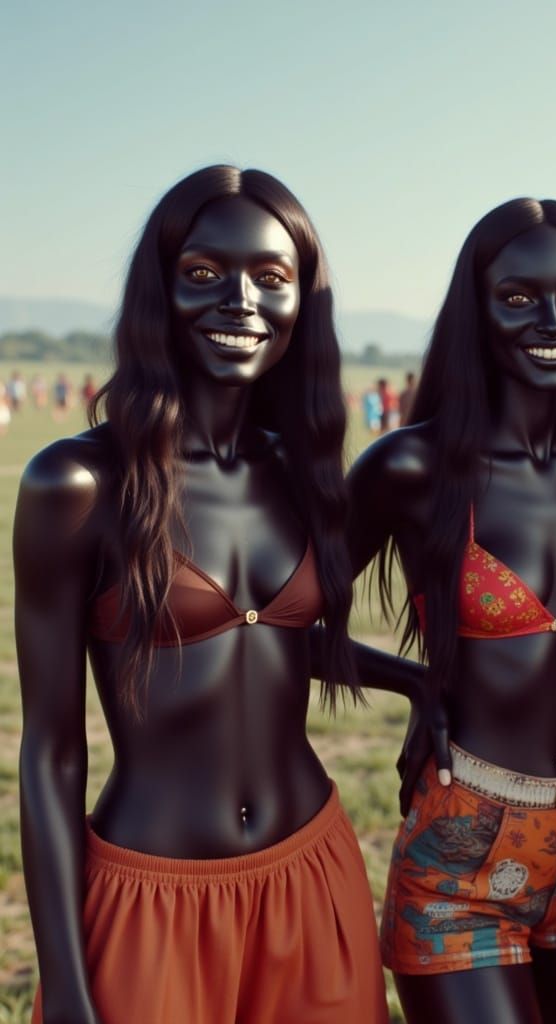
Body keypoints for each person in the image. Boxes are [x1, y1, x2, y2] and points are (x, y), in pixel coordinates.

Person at [16, 166, 388, 1024]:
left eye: (271, 277)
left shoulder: (302, 472)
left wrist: (419, 683)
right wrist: (66, 985)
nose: (241, 300)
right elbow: (50, 753)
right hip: (151, 897)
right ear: (161, 290)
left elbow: (271, 640)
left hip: (312, 875)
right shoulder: (76, 486)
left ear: (302, 301)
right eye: (205, 272)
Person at [345, 198, 556, 1024]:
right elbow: (283, 623)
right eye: (520, 297)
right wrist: (418, 683)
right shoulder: (412, 467)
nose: (553, 320)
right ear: (477, 311)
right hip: (463, 838)